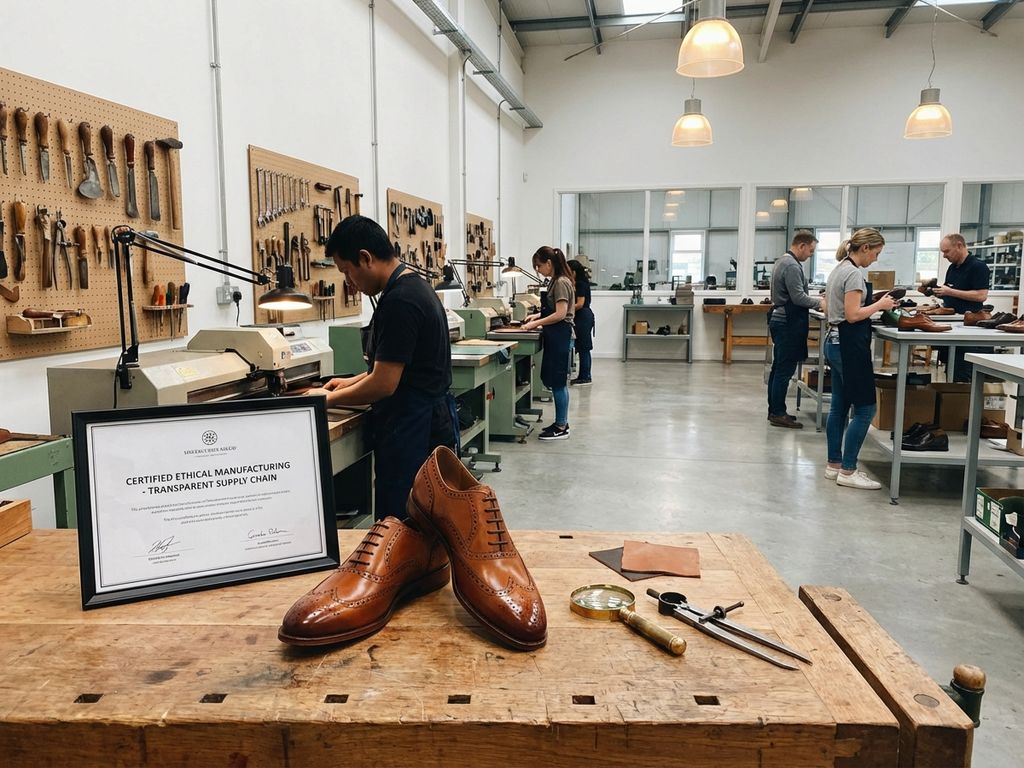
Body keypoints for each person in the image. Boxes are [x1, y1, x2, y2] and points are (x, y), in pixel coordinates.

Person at [306, 215, 457, 521]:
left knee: (404, 524)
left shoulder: (400, 301)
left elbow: (384, 384)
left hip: (414, 430)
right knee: (425, 519)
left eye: (347, 272)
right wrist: (348, 383)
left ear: (365, 257)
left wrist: (326, 400)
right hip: (423, 420)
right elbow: (395, 366)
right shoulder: (414, 287)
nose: (349, 283)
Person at [824, 228, 899, 490]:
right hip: (847, 344)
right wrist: (880, 306)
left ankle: (834, 464)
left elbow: (830, 307)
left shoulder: (839, 269)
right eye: (876, 253)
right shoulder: (853, 273)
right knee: (866, 408)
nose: (876, 259)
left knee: (839, 407)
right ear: (865, 248)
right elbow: (854, 315)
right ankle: (848, 470)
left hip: (834, 341)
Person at [766, 231, 825, 429]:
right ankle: (777, 413)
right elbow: (799, 298)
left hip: (782, 320)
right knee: (784, 370)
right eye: (810, 250)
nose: (810, 255)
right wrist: (821, 303)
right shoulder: (791, 265)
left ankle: (776, 410)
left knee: (778, 368)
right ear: (801, 245)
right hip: (787, 323)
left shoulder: (783, 261)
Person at [522, 247, 575, 440]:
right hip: (557, 334)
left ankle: (561, 427)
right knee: (556, 382)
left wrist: (536, 323)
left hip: (560, 334)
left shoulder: (560, 282)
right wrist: (537, 315)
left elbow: (561, 314)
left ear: (549, 263)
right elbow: (555, 309)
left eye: (539, 265)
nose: (538, 270)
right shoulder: (556, 281)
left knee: (559, 383)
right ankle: (561, 422)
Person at [934, 233, 991, 383]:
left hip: (969, 326)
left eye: (947, 251)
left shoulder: (978, 267)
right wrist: (939, 292)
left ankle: (961, 403)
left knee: (963, 373)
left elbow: (981, 296)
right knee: (951, 369)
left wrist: (949, 291)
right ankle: (952, 399)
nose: (945, 256)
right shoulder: (953, 268)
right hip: (953, 324)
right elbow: (951, 292)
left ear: (959, 246)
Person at [567, 259, 594, 385]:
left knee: (584, 348)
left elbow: (580, 304)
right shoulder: (576, 283)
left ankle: (585, 376)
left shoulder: (580, 284)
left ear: (573, 272)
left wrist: (564, 309)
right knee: (581, 347)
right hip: (581, 316)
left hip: (583, 316)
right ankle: (584, 375)